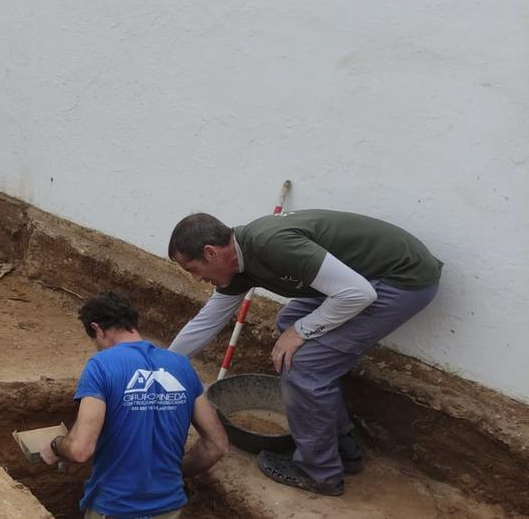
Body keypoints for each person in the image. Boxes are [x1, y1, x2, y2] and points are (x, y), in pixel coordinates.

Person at [166, 210, 443, 496]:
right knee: (289, 322)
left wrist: (301, 332)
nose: (197, 279)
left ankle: (318, 473)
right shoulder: (237, 267)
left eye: (192, 269)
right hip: (361, 278)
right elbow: (206, 321)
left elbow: (358, 294)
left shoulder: (271, 245)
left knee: (303, 365)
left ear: (211, 253)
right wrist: (161, 364)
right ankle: (342, 447)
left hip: (399, 279)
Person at [40, 292, 228, 518]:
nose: (98, 347)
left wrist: (55, 446)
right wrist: (172, 474)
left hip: (116, 507)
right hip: (169, 506)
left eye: (95, 340)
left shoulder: (101, 365)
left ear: (98, 329)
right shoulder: (181, 365)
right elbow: (217, 445)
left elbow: (80, 449)